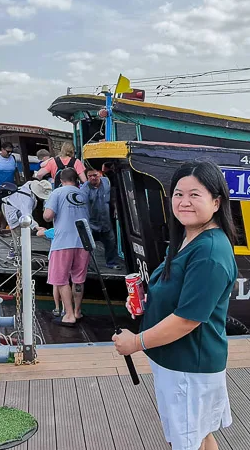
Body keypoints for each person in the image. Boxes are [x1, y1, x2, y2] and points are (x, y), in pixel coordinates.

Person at [112, 160, 237, 450]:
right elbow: (173, 291)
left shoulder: (210, 253)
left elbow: (187, 319)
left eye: (195, 195)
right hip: (175, 360)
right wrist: (145, 300)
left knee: (184, 441)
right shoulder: (186, 238)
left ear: (216, 202)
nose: (184, 202)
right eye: (178, 194)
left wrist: (136, 342)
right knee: (201, 435)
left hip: (189, 367)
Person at [43, 167, 90, 324]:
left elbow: (48, 216)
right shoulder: (83, 193)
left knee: (61, 279)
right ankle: (77, 312)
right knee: (78, 279)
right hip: (84, 242)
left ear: (61, 181)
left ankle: (68, 315)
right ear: (76, 179)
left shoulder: (57, 192)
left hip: (63, 242)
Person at [1, 180, 52, 259]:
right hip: (12, 211)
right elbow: (26, 217)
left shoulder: (30, 184)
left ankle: (16, 249)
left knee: (24, 232)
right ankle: (17, 254)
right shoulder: (27, 200)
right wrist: (37, 227)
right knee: (18, 233)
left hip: (15, 206)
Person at [85, 168, 121, 269]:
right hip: (91, 221)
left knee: (111, 241)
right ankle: (84, 265)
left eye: (95, 175)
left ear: (100, 174)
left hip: (105, 220)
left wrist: (115, 206)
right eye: (90, 176)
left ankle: (111, 263)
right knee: (86, 244)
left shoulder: (106, 182)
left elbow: (113, 194)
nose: (93, 177)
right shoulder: (84, 189)